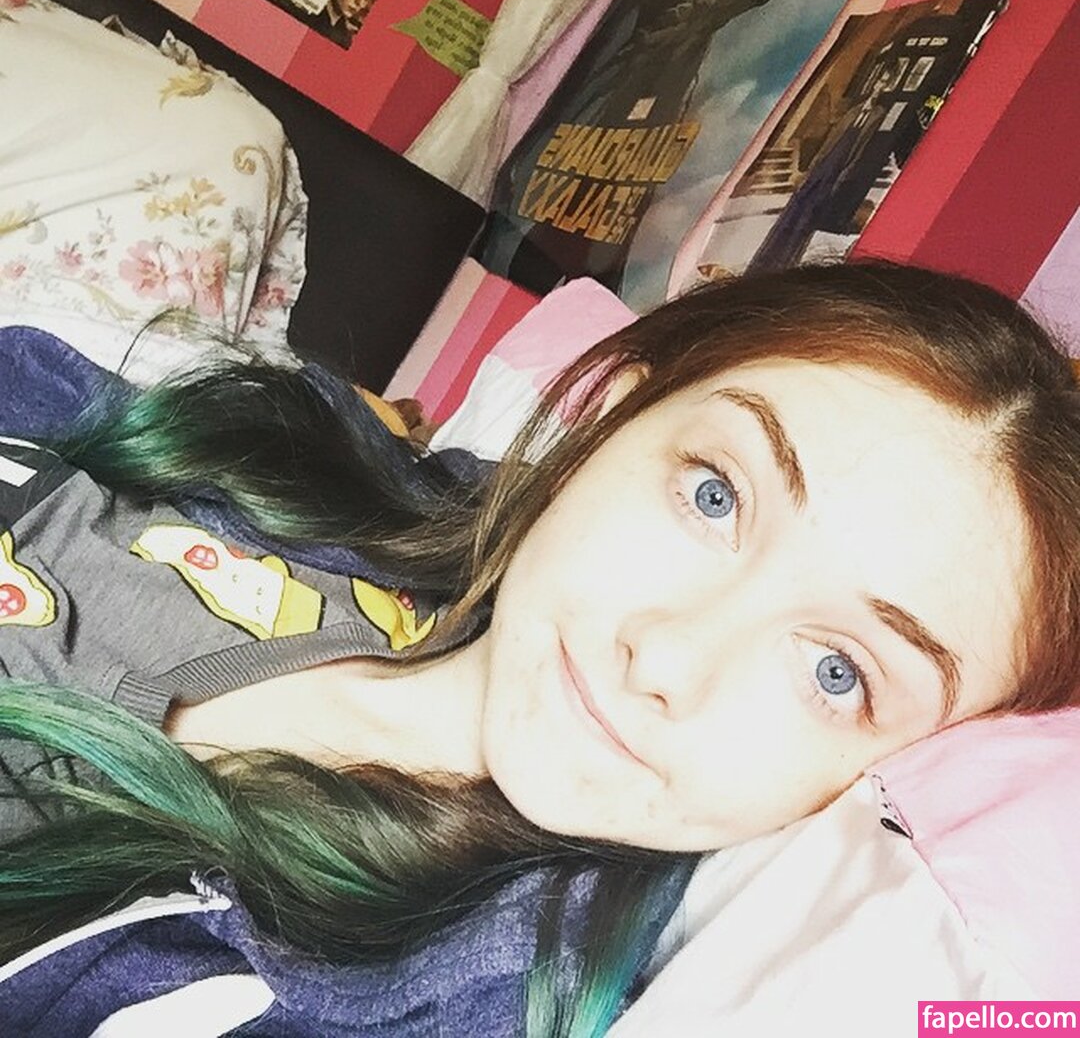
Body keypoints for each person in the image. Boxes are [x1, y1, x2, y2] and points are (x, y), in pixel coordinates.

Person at [0, 262, 1078, 1035]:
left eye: (836, 673)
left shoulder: (399, 992)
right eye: (715, 495)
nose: (666, 658)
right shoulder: (324, 467)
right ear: (612, 422)